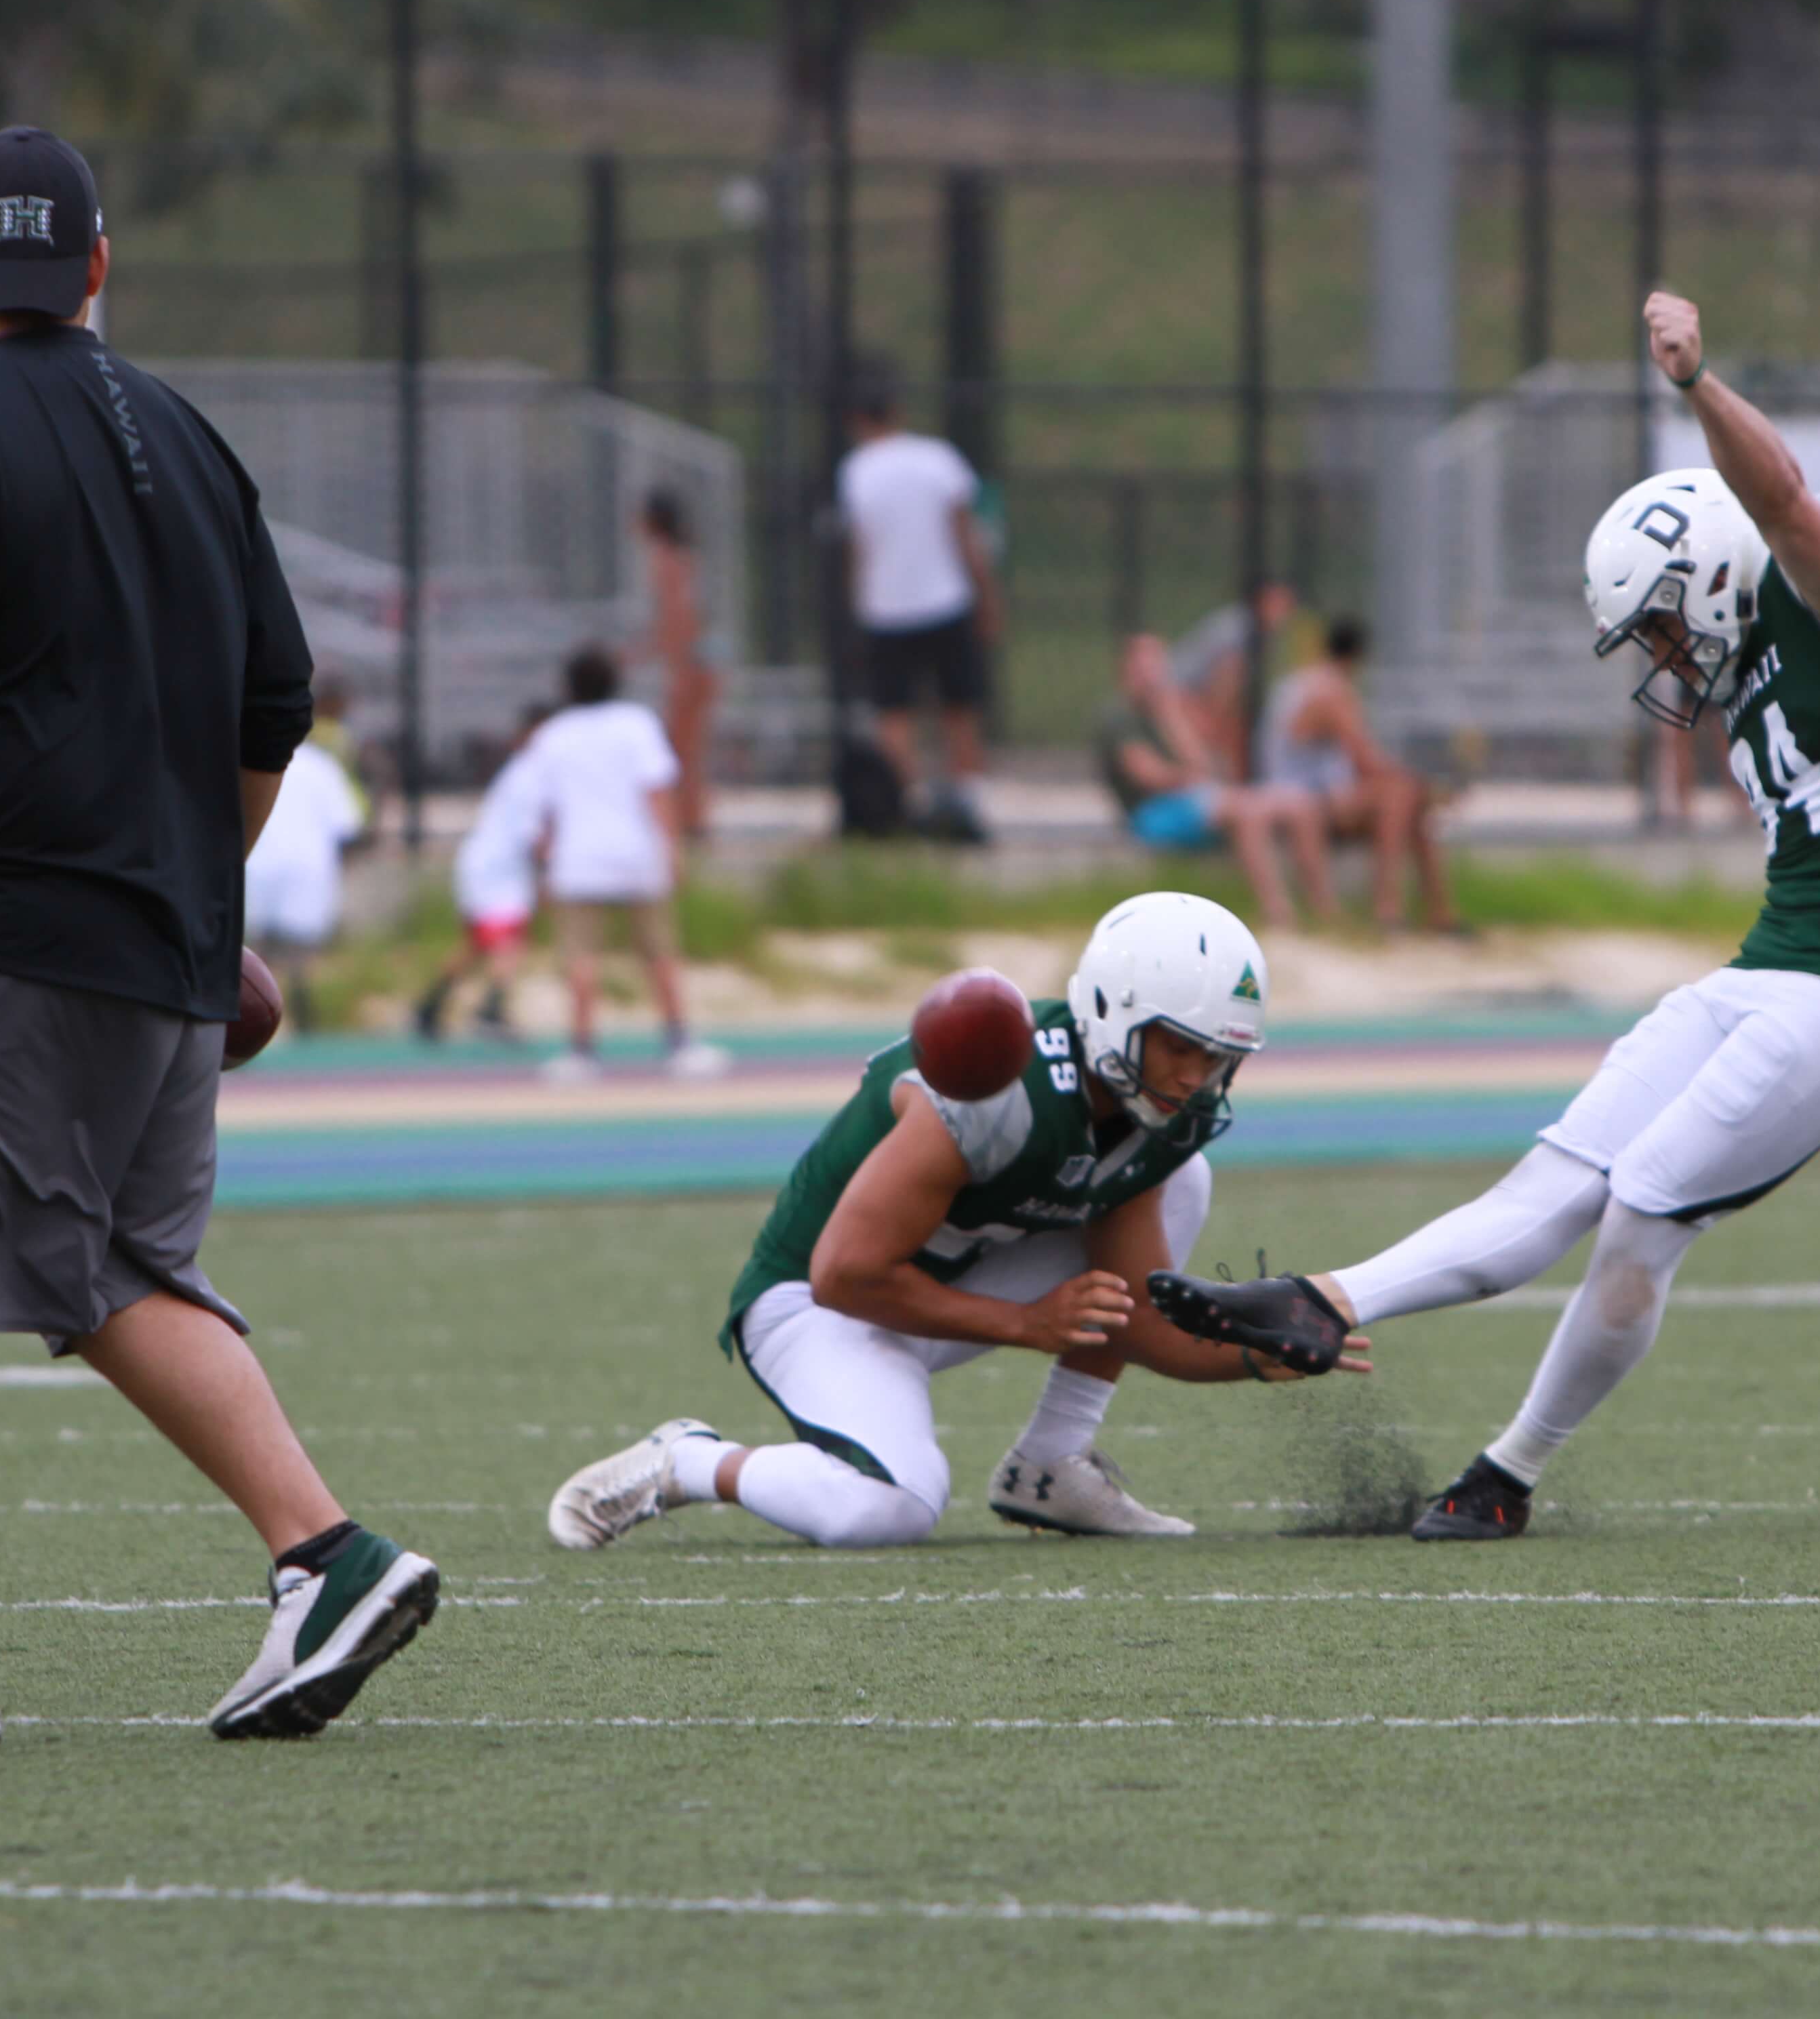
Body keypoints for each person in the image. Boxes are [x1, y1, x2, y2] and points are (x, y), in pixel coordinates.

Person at [0, 125, 437, 1751]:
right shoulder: (193, 438)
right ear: (99, 266)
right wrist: (196, 880)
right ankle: (330, 1558)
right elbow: (278, 699)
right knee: (120, 1270)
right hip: (168, 943)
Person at [1150, 290, 1820, 1543]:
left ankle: (1508, 1473)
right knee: (1554, 1182)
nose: (1664, 654)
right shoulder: (1757, 676)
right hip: (1775, 966)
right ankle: (1325, 1300)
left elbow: (1782, 504)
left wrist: (1695, 385)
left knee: (1643, 1207)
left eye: (1662, 622)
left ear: (1715, 577)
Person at [544, 893, 1360, 1551]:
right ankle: (687, 1463)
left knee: (1185, 1183)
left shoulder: (1163, 1114)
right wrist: (1026, 1323)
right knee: (889, 1508)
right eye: (1180, 1046)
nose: (1195, 1076)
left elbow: (1137, 1315)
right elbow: (844, 1274)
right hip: (818, 1303)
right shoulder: (996, 1086)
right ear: (1113, 1012)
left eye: (1218, 1056)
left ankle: (1050, 1466)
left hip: (949, 1277)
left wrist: (1257, 1348)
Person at [524, 643, 725, 1082]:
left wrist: (543, 861)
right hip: (637, 855)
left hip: (578, 859)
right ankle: (679, 1043)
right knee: (660, 954)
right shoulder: (636, 724)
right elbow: (657, 791)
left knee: (581, 958)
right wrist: (672, 848)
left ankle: (582, 1051)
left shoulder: (553, 735)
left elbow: (543, 809)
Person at [836, 354, 999, 831]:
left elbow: (860, 548)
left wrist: (857, 603)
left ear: (857, 420)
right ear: (898, 412)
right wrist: (987, 595)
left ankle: (902, 803)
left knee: (894, 712)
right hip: (945, 600)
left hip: (886, 608)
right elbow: (965, 536)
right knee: (960, 705)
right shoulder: (939, 459)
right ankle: (968, 801)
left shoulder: (857, 470)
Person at [1095, 632, 1331, 931]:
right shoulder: (1119, 717)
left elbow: (1204, 763)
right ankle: (1278, 912)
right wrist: (1191, 777)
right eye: (1143, 665)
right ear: (1126, 668)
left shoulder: (1168, 712)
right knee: (1246, 812)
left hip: (1194, 801)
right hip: (1152, 814)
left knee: (1299, 805)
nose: (1151, 674)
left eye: (1157, 665)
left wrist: (1172, 718)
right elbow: (1148, 774)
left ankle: (1322, 906)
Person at [1260, 616, 1462, 933]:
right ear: (1358, 657)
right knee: (1402, 795)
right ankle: (1395, 908)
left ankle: (1430, 912)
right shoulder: (1331, 692)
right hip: (1306, 798)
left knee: (1408, 800)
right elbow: (1365, 760)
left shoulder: (1301, 684)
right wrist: (1426, 787)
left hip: (1305, 791)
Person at [415, 702, 552, 1044]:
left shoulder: (526, 771)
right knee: (508, 940)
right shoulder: (531, 776)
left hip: (491, 867)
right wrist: (547, 874)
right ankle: (491, 1010)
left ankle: (430, 1006)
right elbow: (532, 836)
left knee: (480, 943)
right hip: (497, 870)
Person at [243, 678, 371, 1031]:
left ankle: (265, 1025)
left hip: (256, 863)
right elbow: (348, 824)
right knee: (299, 957)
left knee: (254, 957)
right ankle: (300, 1021)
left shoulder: (250, 757)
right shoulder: (323, 766)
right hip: (305, 870)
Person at [634, 488, 716, 843]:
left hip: (690, 663)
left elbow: (678, 619)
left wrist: (680, 669)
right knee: (688, 748)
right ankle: (693, 818)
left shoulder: (666, 561)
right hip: (697, 660)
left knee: (680, 750)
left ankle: (690, 822)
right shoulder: (683, 558)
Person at [1165, 580, 1299, 781]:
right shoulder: (1240, 629)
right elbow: (1224, 684)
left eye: (1287, 607)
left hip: (1194, 697)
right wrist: (1212, 726)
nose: (1283, 613)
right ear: (1262, 602)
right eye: (1277, 604)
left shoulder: (1264, 635)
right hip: (1176, 695)